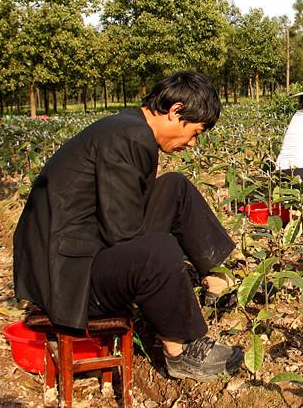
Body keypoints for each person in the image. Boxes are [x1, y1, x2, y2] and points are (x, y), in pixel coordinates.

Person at [13, 71, 243, 382]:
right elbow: (121, 232)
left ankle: (216, 280)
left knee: (173, 187)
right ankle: (182, 351)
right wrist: (168, 260)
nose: (192, 143)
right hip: (68, 279)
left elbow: (123, 216)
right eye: (195, 132)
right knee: (157, 251)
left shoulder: (128, 127)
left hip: (76, 253)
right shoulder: (130, 136)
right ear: (176, 111)